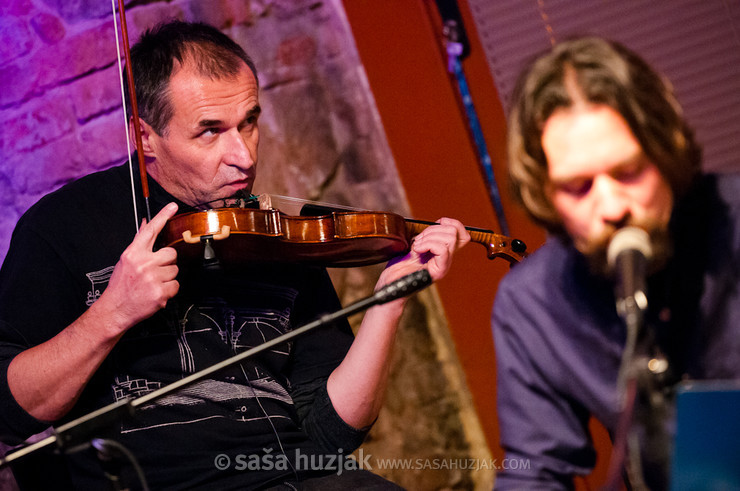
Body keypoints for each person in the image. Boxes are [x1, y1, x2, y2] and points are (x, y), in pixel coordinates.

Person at [0, 21, 470, 490]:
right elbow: (9, 411)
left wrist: (389, 301)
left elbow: (331, 435)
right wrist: (112, 313)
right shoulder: (61, 228)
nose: (243, 156)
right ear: (144, 138)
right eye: (210, 132)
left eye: (249, 122)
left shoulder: (278, 237)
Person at [492, 36, 740, 489]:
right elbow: (536, 470)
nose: (611, 206)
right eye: (578, 187)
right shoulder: (531, 305)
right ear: (543, 193)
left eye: (628, 172)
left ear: (666, 149)